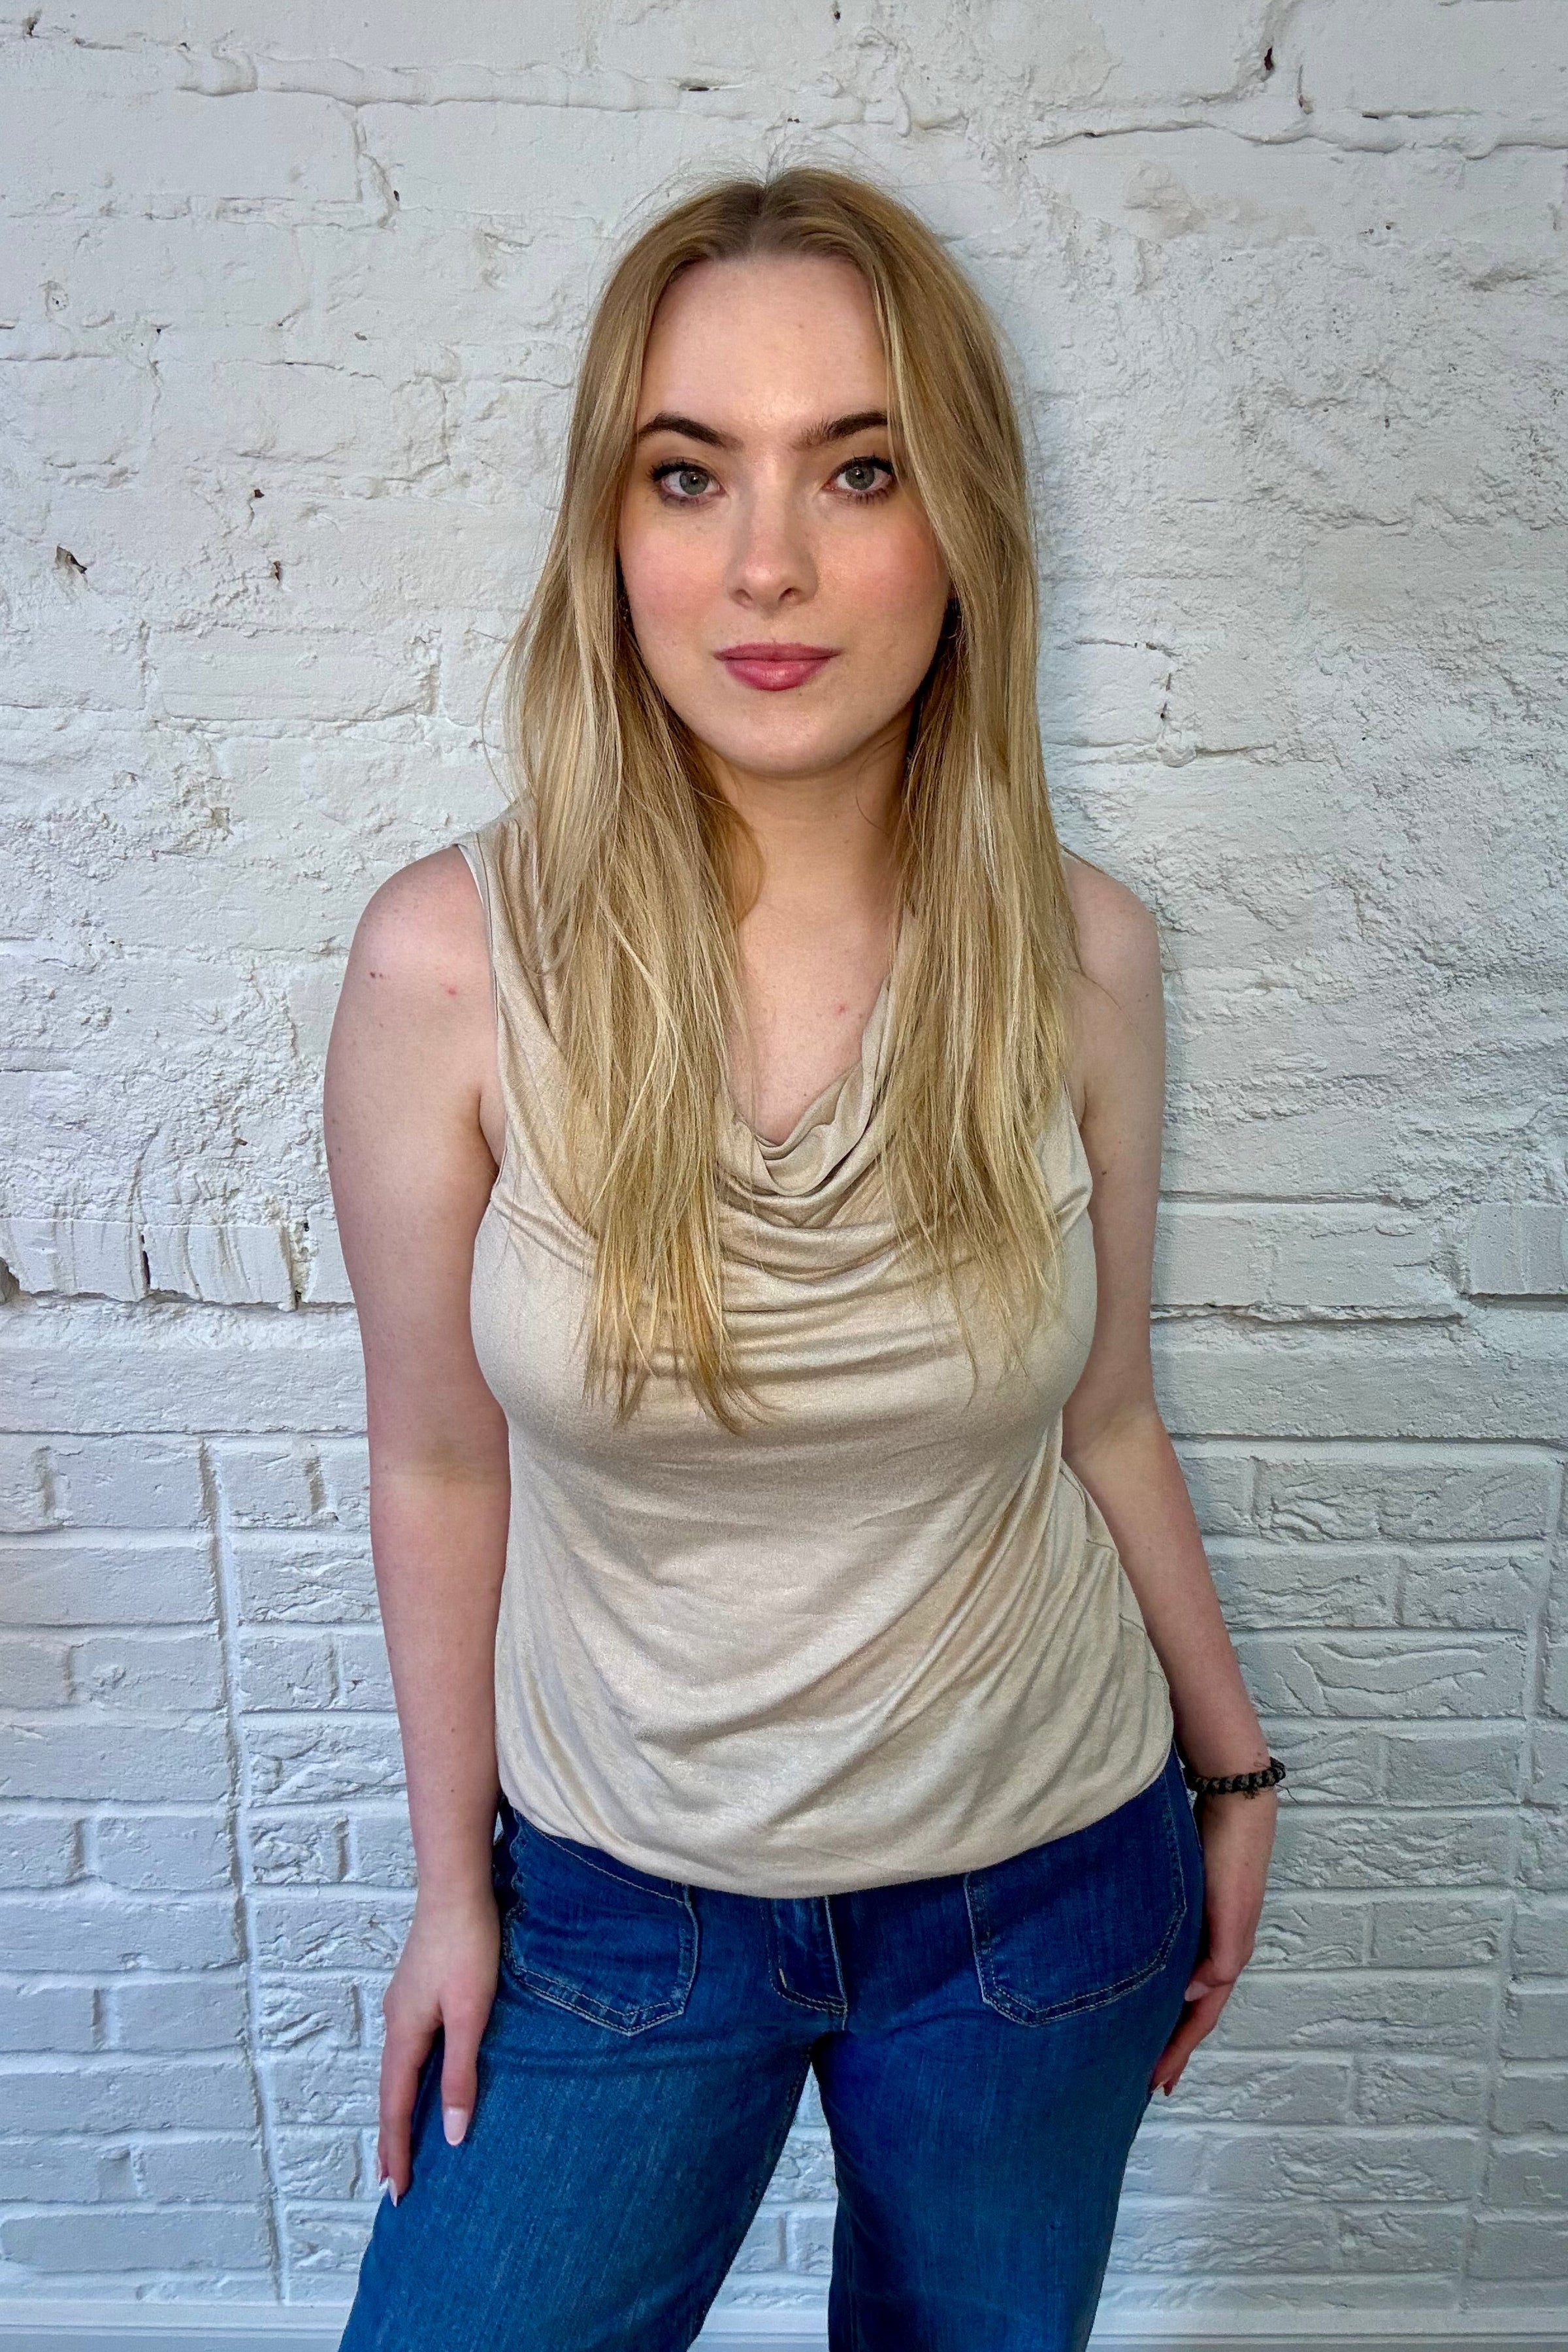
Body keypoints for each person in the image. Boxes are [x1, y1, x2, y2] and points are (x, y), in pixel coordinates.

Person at [326, 163, 1281, 2352]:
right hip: (619, 1910)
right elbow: (437, 1460)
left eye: (860, 469)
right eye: (691, 474)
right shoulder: (451, 967)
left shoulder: (1081, 957)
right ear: (612, 531)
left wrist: (1233, 1776)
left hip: (1046, 1894)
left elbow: (1106, 1416)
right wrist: (452, 1891)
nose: (769, 562)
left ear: (965, 527)